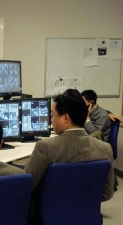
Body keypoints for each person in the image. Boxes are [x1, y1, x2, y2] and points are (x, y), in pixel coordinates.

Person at [25, 89, 114, 224]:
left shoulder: (45, 147)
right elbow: (107, 193)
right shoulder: (105, 149)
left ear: (66, 118)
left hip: (47, 216)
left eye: (52, 115)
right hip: (86, 217)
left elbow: (27, 187)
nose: (51, 119)